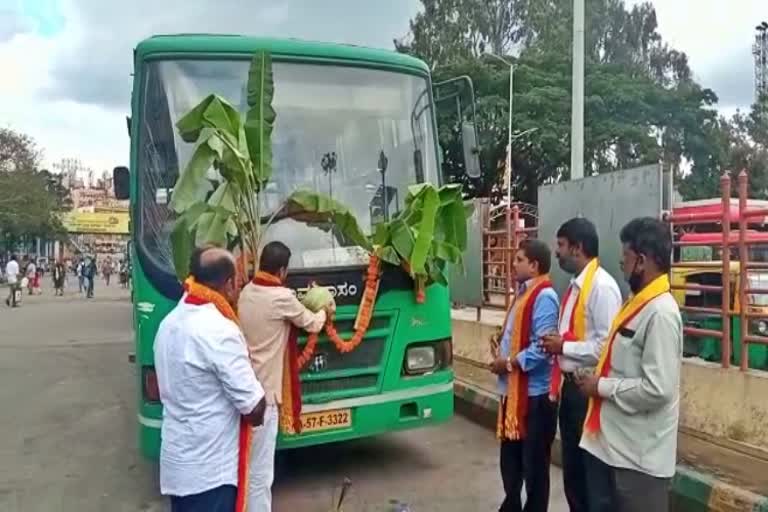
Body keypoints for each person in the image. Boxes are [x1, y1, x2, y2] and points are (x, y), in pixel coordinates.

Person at [576, 217, 682, 512]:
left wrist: (601, 386)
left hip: (637, 462)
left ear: (642, 261)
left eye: (626, 256)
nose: (621, 263)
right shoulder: (636, 303)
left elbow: (658, 389)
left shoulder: (661, 313)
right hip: (611, 448)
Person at [155, 246, 267, 512]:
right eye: (238, 283)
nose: (239, 290)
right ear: (229, 284)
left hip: (177, 466)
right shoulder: (220, 330)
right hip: (211, 474)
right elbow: (254, 408)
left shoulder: (168, 324)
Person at [238, 241, 331, 511]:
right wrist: (324, 309)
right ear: (282, 270)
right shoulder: (280, 298)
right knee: (261, 473)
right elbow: (312, 322)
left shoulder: (246, 292)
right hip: (265, 398)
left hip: (244, 390)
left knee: (245, 464)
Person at [540, 218, 622, 512]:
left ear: (578, 248)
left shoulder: (602, 288)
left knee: (591, 477)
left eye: (561, 246)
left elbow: (605, 347)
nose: (557, 252)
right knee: (573, 473)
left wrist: (563, 346)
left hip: (587, 391)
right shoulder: (575, 287)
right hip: (571, 388)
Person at [489, 239, 559, 512]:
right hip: (513, 395)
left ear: (534, 265)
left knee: (534, 468)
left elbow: (542, 348)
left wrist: (507, 363)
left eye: (519, 259)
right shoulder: (522, 294)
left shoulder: (544, 297)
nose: (513, 263)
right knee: (511, 463)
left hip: (534, 398)